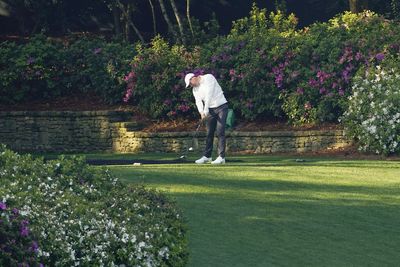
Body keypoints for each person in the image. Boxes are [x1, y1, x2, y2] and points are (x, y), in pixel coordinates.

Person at [184, 72, 229, 164]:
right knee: (209, 133)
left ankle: (221, 157)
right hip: (210, 110)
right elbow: (198, 101)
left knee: (220, 131)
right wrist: (201, 112)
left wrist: (206, 109)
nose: (191, 86)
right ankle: (207, 156)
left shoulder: (208, 78)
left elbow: (209, 95)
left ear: (193, 78)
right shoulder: (195, 90)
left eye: (190, 83)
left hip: (221, 106)